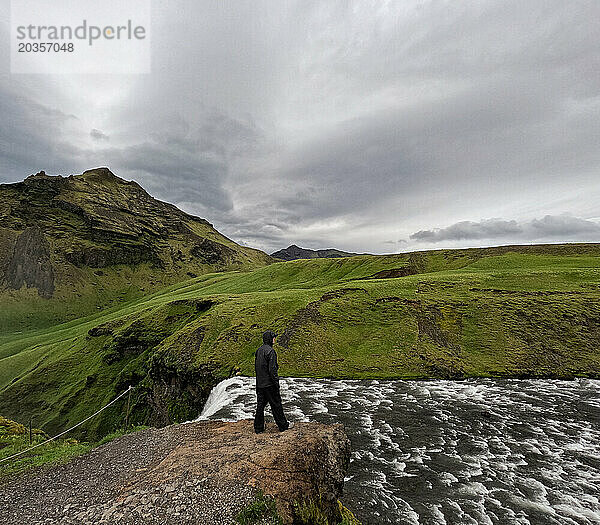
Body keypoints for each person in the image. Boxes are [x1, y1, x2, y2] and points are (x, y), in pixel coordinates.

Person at [254, 330, 292, 433]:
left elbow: (257, 368)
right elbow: (272, 370)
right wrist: (276, 383)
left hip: (260, 384)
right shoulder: (271, 351)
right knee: (276, 405)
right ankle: (283, 426)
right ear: (270, 339)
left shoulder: (258, 350)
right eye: (274, 337)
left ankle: (258, 428)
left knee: (260, 406)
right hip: (270, 384)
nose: (275, 339)